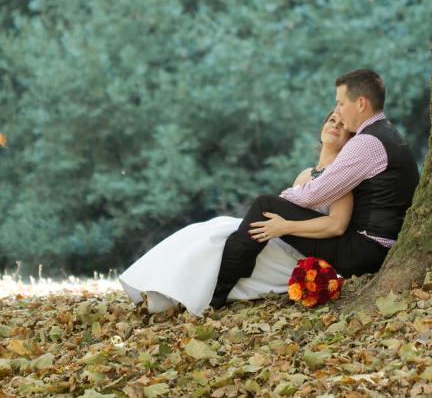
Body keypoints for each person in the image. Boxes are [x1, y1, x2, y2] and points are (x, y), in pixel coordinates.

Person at [210, 68, 419, 308]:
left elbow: (315, 194)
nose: (338, 110)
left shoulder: (365, 144)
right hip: (377, 246)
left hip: (365, 250)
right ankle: (233, 273)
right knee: (264, 210)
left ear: (361, 103)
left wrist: (283, 200)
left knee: (265, 205)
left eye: (340, 103)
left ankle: (217, 294)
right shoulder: (387, 134)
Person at [119, 112, 353, 316]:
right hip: (277, 235)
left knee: (218, 238)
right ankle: (162, 289)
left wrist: (285, 228)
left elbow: (337, 225)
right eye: (332, 120)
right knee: (211, 229)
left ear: (350, 141)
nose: (335, 125)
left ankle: (212, 295)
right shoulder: (305, 174)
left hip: (296, 249)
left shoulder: (341, 177)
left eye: (343, 125)